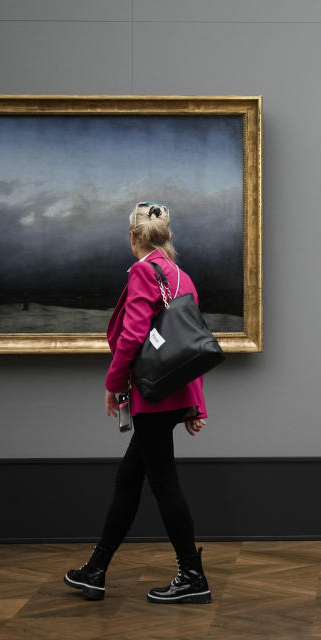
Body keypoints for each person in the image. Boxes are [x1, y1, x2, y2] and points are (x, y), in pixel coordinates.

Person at [64, 201, 212, 604]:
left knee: (163, 483)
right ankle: (96, 570)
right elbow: (192, 348)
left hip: (151, 397)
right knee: (129, 480)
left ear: (133, 237)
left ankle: (193, 575)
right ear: (167, 236)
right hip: (170, 396)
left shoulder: (144, 272)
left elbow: (131, 338)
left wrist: (113, 385)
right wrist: (194, 405)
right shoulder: (183, 277)